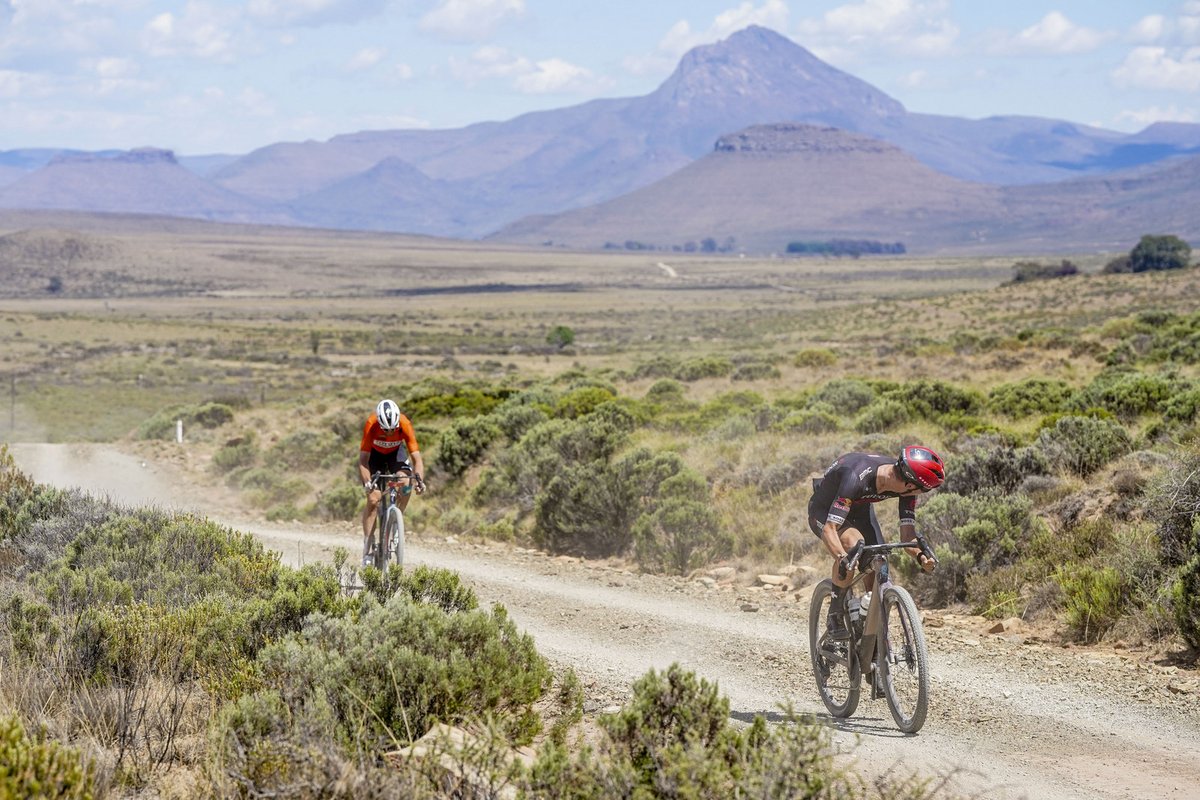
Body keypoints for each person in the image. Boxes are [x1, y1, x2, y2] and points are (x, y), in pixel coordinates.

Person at [807, 445, 944, 639]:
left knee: (878, 560)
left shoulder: (907, 488)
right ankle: (835, 615)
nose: (921, 493)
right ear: (911, 484)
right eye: (924, 490)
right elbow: (830, 529)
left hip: (859, 510)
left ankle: (866, 629)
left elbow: (908, 536)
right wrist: (843, 559)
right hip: (825, 510)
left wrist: (921, 556)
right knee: (854, 546)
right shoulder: (856, 476)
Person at [358, 398, 425, 565]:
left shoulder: (404, 423)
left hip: (396, 454)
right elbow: (363, 460)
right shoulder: (371, 423)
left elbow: (417, 459)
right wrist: (368, 482)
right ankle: (367, 545)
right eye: (385, 429)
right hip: (375, 457)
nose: (389, 433)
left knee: (406, 483)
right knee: (374, 499)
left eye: (392, 430)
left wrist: (419, 481)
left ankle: (396, 520)